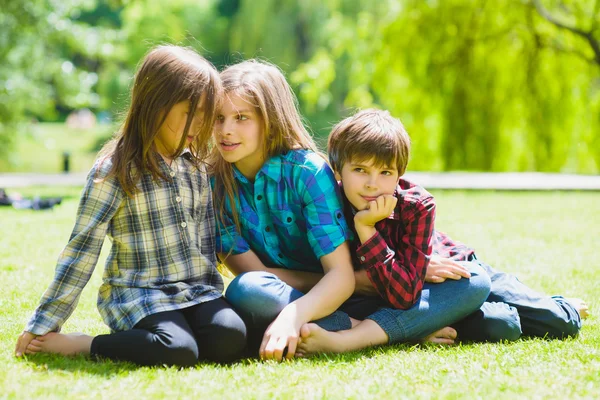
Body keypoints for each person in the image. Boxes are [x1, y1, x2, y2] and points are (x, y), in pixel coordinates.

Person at [14, 45, 247, 367]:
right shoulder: (115, 171)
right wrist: (45, 323)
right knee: (176, 349)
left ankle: (177, 335)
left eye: (207, 115)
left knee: (231, 336)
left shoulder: (196, 167)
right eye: (191, 114)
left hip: (195, 292)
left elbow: (206, 241)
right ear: (156, 105)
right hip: (140, 294)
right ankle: (85, 344)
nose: (202, 125)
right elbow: (81, 251)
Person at [295, 109, 589, 356]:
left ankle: (558, 305)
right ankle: (427, 324)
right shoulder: (326, 206)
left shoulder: (416, 206)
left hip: (454, 273)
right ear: (338, 169)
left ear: (400, 174)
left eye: (385, 173)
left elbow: (404, 294)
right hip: (405, 296)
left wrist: (367, 229)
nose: (372, 184)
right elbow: (398, 296)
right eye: (360, 170)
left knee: (560, 322)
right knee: (502, 325)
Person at [209, 60, 356, 361]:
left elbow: (341, 278)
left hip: (346, 295)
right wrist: (350, 280)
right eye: (218, 117)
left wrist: (293, 315)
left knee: (476, 298)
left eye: (241, 118)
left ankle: (361, 327)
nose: (225, 130)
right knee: (247, 290)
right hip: (283, 296)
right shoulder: (214, 186)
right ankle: (369, 328)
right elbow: (256, 276)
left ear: (270, 120)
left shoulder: (308, 173)